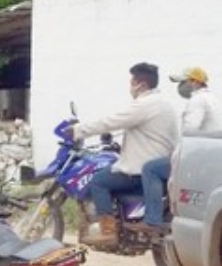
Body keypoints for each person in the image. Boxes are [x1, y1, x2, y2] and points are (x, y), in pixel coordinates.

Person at [72, 62, 179, 246]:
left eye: (132, 82)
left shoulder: (143, 105)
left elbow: (111, 121)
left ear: (142, 85)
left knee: (98, 181)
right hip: (160, 163)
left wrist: (77, 130)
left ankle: (108, 231)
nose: (130, 87)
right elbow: (145, 132)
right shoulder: (164, 104)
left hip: (140, 170)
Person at [136, 67, 222, 231]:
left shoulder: (197, 101)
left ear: (195, 82)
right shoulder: (213, 99)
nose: (181, 86)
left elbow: (190, 131)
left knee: (150, 169)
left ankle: (152, 220)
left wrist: (177, 151)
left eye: (183, 82)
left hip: (195, 157)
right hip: (210, 154)